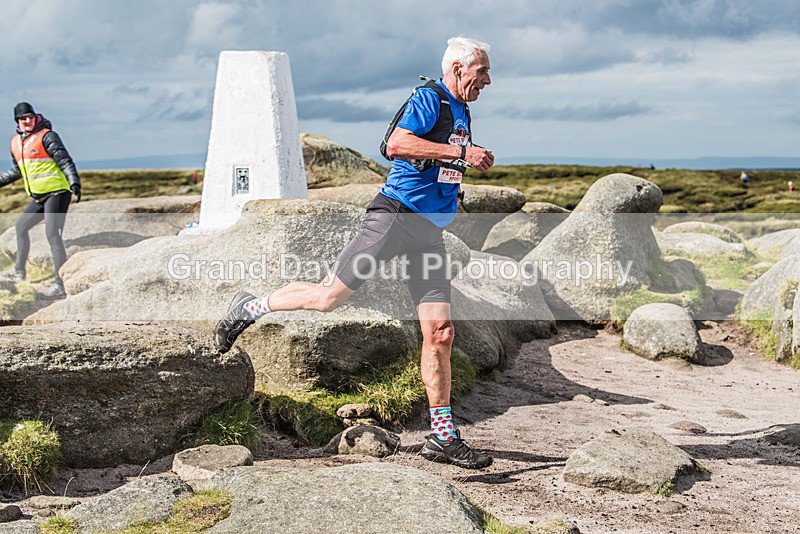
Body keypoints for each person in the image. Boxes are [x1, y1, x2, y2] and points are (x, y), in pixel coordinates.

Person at [214, 36, 495, 469]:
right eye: (483, 71)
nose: (488, 80)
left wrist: (452, 187)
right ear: (458, 69)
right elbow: (396, 144)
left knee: (440, 332)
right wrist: (462, 152)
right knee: (328, 297)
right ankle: (250, 306)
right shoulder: (430, 99)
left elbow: (437, 161)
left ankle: (442, 436)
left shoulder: (461, 109)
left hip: (429, 233)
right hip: (394, 217)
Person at [0, 102, 81, 300]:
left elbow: (64, 160)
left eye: (30, 116)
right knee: (20, 227)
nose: (27, 120)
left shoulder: (47, 136)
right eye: (23, 118)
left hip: (57, 193)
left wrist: (73, 180)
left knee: (53, 235)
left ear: (35, 117)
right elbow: (18, 170)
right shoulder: (16, 143)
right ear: (17, 121)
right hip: (39, 196)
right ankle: (19, 271)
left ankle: (60, 285)